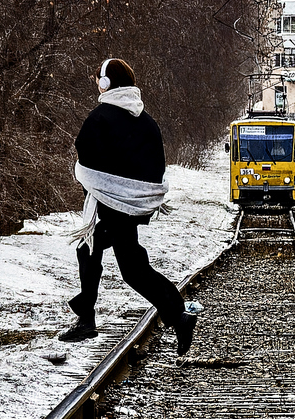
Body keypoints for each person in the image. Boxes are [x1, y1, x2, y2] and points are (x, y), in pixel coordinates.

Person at [60, 58, 202, 353]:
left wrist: (107, 185)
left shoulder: (101, 116)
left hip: (113, 205)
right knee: (99, 251)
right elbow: (155, 164)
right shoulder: (146, 120)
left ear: (106, 83)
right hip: (134, 206)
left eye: (98, 78)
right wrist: (133, 192)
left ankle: (175, 315)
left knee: (128, 266)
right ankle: (88, 315)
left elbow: (85, 153)